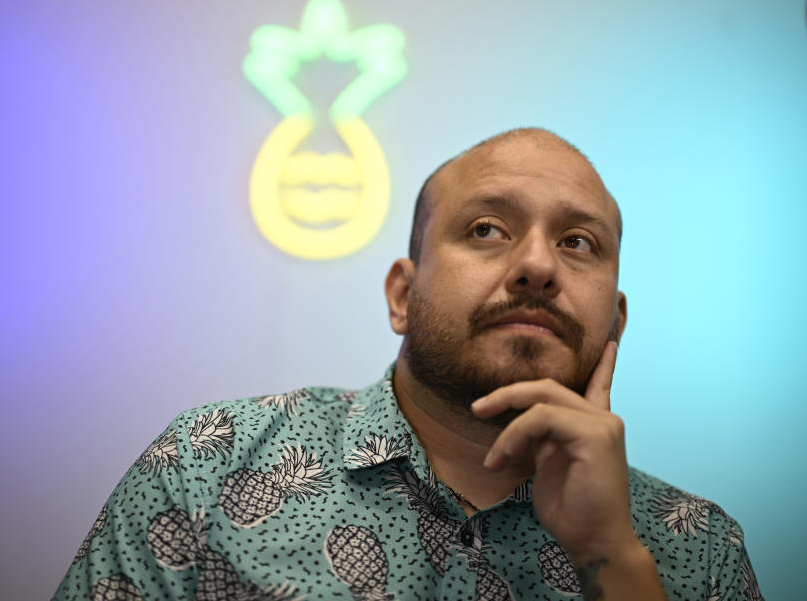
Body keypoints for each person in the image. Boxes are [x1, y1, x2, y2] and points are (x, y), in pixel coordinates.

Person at [53, 128, 762, 601]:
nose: (539, 265)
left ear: (617, 322)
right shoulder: (207, 465)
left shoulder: (697, 551)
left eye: (578, 243)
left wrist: (612, 557)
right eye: (487, 229)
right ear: (402, 294)